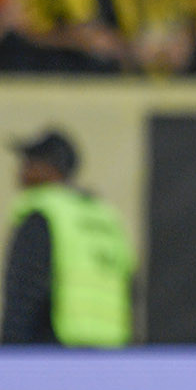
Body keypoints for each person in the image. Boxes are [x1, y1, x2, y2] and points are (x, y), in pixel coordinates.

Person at [2, 128, 134, 345]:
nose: (20, 171)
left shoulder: (42, 214)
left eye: (30, 162)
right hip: (109, 355)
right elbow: (130, 292)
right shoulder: (107, 217)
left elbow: (23, 296)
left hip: (52, 353)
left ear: (50, 169)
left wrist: (12, 354)